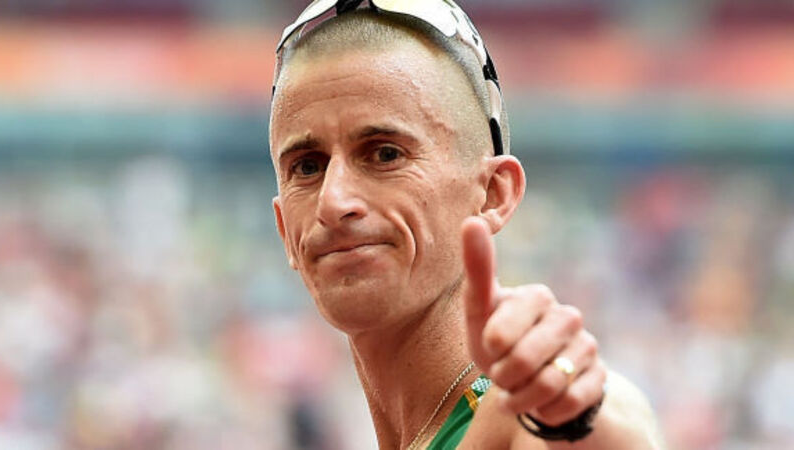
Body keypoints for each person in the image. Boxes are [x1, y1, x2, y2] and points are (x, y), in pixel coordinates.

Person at [269, 1, 664, 448]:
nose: (333, 201)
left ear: (493, 193)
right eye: (307, 167)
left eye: (385, 154)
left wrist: (574, 413)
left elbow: (611, 420)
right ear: (284, 230)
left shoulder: (517, 416)